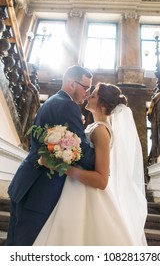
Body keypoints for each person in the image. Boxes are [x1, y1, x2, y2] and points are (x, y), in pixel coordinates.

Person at [33, 83, 147, 246]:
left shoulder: (101, 130)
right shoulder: (94, 126)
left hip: (86, 196)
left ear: (103, 105)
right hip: (76, 190)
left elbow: (102, 180)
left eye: (92, 95)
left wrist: (60, 166)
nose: (87, 96)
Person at [6, 65, 95, 246]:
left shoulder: (53, 101)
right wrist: (103, 155)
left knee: (15, 243)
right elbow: (83, 152)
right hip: (40, 189)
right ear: (72, 84)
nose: (87, 93)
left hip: (27, 181)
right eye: (86, 87)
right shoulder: (68, 105)